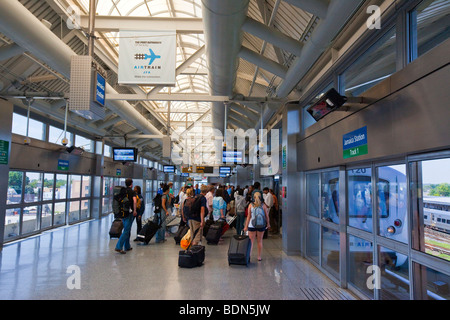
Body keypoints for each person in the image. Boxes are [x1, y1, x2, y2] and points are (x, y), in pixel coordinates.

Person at [244, 192, 270, 261]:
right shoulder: (263, 205)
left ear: (253, 197)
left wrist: (246, 226)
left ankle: (249, 256)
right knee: (260, 241)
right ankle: (259, 257)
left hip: (251, 225)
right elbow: (267, 216)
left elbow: (248, 217)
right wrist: (268, 224)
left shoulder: (250, 205)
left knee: (251, 241)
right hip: (261, 225)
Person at [115, 178, 137, 254]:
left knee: (127, 229)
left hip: (122, 212)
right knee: (126, 231)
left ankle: (127, 246)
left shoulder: (122, 191)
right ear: (131, 184)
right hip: (129, 212)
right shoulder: (132, 192)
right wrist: (134, 210)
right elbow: (134, 201)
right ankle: (118, 246)